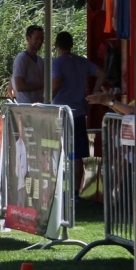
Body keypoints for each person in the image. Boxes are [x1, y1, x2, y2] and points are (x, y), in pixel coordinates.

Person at [51, 30, 104, 196]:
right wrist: (93, 96)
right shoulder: (82, 61)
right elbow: (102, 74)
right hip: (79, 113)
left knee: (55, 150)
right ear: (72, 45)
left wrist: (46, 101)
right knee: (77, 154)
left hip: (60, 113)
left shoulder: (57, 63)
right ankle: (75, 193)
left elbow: (56, 83)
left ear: (56, 46)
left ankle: (56, 190)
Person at [12, 25, 45, 104]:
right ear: (28, 39)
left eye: (42, 38)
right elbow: (19, 86)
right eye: (37, 38)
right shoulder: (22, 58)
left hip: (38, 105)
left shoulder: (40, 60)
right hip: (26, 106)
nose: (40, 41)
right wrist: (42, 85)